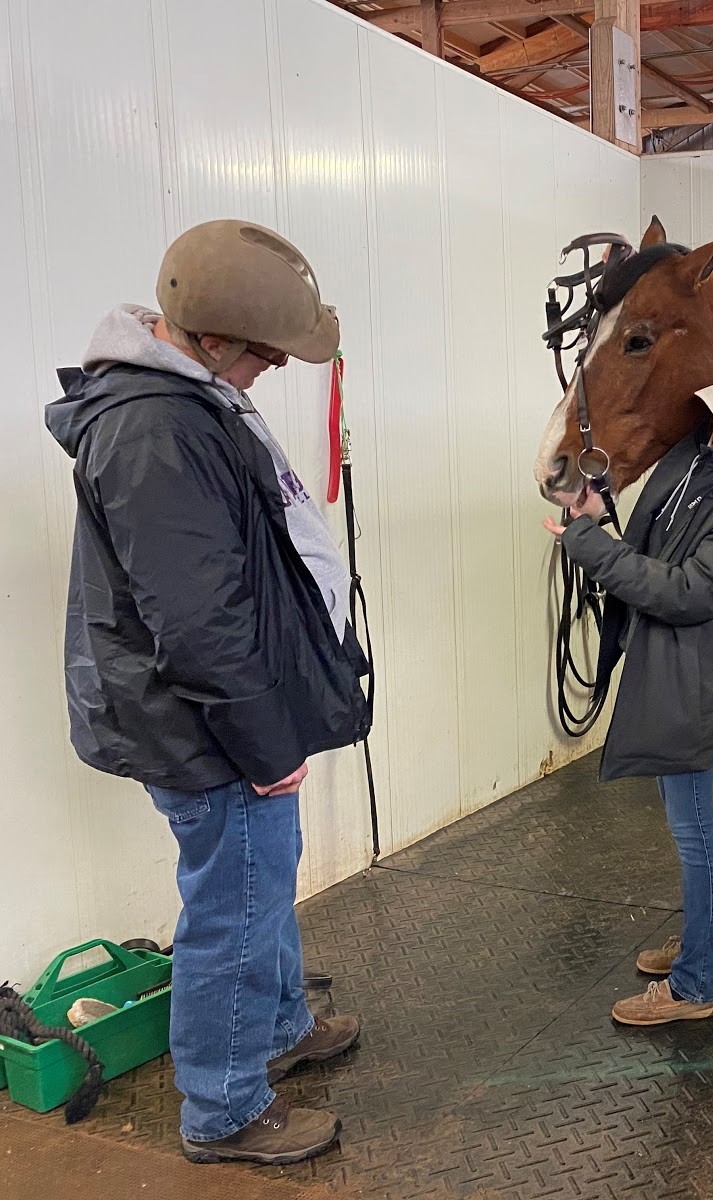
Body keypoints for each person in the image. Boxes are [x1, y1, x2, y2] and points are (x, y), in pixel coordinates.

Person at [45, 220, 371, 1165]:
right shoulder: (156, 428)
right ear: (218, 341)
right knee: (231, 903)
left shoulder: (191, 401)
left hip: (227, 712)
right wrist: (267, 745)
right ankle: (224, 1109)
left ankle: (274, 1033)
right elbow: (198, 622)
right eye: (267, 353)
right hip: (205, 725)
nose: (273, 368)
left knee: (262, 884)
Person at [543, 357, 713, 1026]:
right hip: (669, 663)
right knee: (694, 828)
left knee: (694, 836)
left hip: (692, 679)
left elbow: (685, 591)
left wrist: (587, 546)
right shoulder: (710, 456)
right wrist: (602, 517)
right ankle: (710, 944)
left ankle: (694, 988)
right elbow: (662, 540)